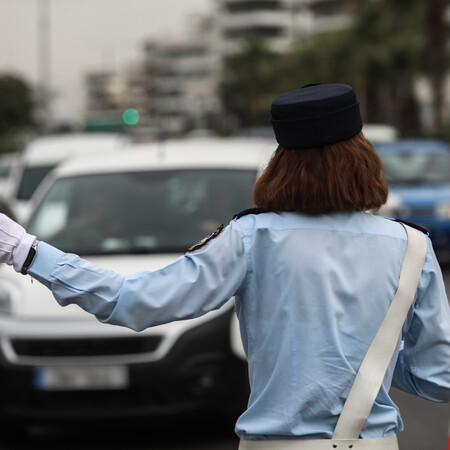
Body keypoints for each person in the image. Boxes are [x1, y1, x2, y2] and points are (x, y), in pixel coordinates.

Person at [0, 84, 449, 449]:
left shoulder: (253, 239)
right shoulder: (411, 246)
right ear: (363, 157)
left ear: (281, 164)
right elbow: (437, 377)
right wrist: (368, 362)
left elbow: (133, 302)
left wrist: (27, 250)